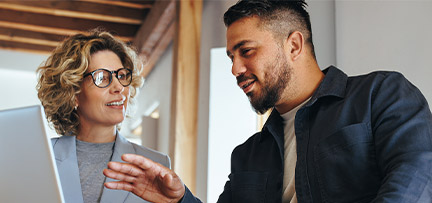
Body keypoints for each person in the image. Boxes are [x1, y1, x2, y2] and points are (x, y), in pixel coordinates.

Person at [103, 0, 432, 202]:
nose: (235, 68)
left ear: (293, 45)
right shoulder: (248, 155)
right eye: (231, 56)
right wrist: (178, 202)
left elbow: (418, 179)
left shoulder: (381, 95)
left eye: (246, 51)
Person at [36, 30, 171, 203]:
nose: (118, 87)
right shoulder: (40, 159)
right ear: (73, 93)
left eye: (121, 76)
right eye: (102, 78)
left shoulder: (157, 164)